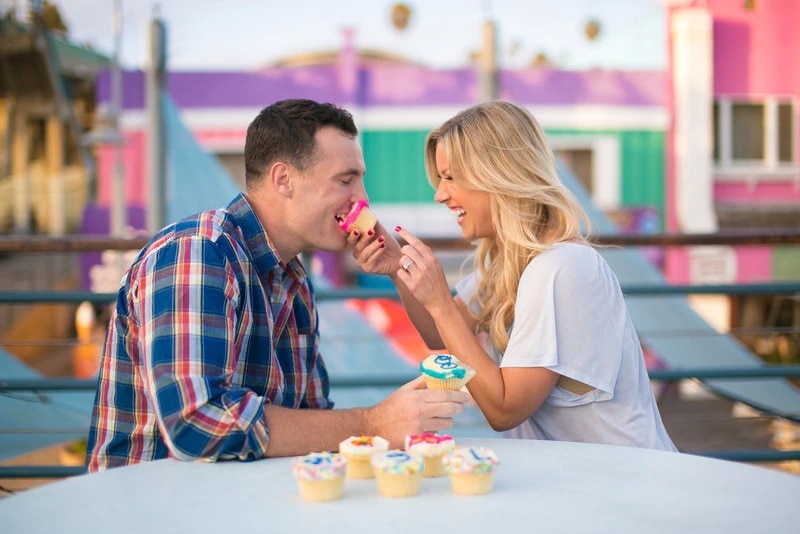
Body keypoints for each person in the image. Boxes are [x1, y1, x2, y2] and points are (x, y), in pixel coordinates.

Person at [86, 99, 469, 471]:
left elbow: (311, 421)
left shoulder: (293, 278)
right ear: (283, 179)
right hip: (152, 508)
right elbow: (196, 421)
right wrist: (373, 423)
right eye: (345, 180)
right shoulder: (199, 252)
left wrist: (395, 263)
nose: (363, 201)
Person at [351, 101, 677, 451]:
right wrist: (399, 267)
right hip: (580, 483)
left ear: (499, 175)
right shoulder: (510, 263)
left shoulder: (561, 267)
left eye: (450, 178)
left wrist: (440, 303)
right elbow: (438, 332)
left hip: (624, 484)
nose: (440, 194)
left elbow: (504, 409)